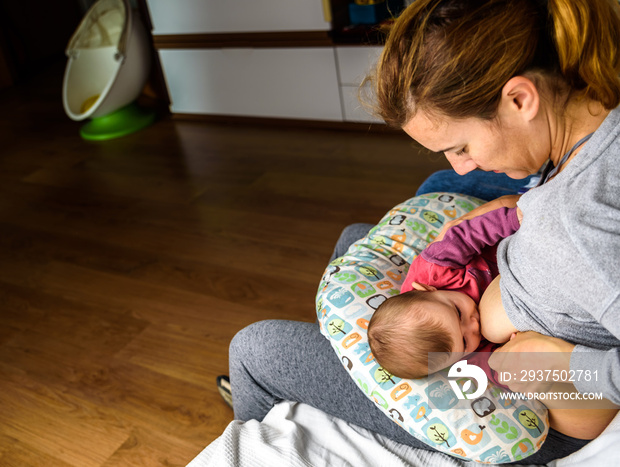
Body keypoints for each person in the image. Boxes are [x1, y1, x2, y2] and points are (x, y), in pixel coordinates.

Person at [226, 0, 620, 462]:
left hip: (540, 413)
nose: (461, 164)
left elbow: (581, 245)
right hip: (492, 319)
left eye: (462, 146)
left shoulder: (577, 225)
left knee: (255, 350)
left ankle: (295, 409)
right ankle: (343, 381)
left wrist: (568, 368)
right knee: (357, 236)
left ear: (520, 99)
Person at [367, 206, 521, 380]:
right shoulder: (463, 358)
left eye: (458, 312)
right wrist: (507, 357)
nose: (474, 326)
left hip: (515, 243)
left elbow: (469, 234)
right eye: (464, 341)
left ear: (429, 290)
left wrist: (513, 219)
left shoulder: (434, 269)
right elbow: (495, 370)